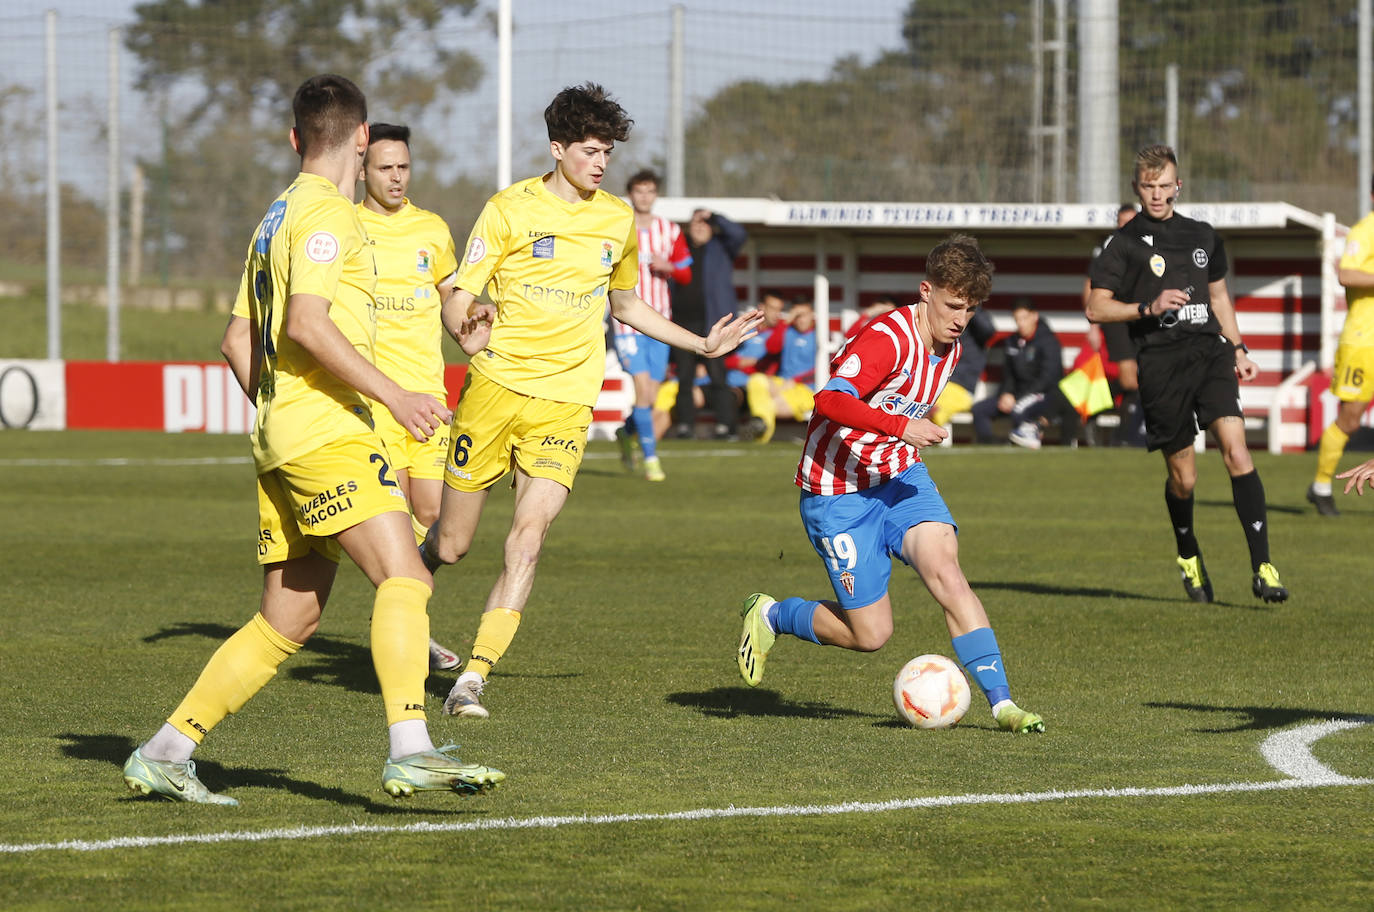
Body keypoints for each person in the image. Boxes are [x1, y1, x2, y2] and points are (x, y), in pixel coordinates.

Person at [122, 75, 504, 805]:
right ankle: (412, 749)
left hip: (282, 437)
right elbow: (306, 323)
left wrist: (279, 411)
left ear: (296, 137)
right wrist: (395, 395)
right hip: (328, 432)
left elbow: (236, 340)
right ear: (362, 141)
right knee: (406, 579)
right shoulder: (328, 215)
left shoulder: (273, 216)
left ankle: (166, 751)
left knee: (290, 616)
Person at [421, 83, 761, 719]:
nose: (601, 163)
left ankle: (471, 679)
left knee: (528, 539)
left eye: (608, 152)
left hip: (566, 404)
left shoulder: (615, 221)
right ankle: (403, 602)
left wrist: (701, 346)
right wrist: (468, 333)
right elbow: (459, 293)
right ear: (557, 149)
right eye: (588, 151)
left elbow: (627, 304)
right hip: (495, 392)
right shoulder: (508, 210)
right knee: (451, 546)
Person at [735, 233, 1045, 734]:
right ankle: (772, 615)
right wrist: (904, 427)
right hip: (836, 491)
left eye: (970, 308)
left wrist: (902, 436)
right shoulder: (887, 338)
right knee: (871, 635)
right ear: (926, 292)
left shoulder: (951, 345)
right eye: (952, 305)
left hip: (898, 476)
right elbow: (829, 402)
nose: (960, 318)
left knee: (947, 573)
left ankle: (1002, 704)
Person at [1086, 144, 1287, 604]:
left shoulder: (1203, 235)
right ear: (1137, 188)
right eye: (1148, 187)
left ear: (1179, 186)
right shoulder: (1124, 244)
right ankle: (1188, 552)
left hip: (1210, 355)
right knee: (1186, 479)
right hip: (1160, 363)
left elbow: (1219, 299)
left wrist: (1238, 349)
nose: (1157, 195)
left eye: (1164, 186)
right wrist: (1146, 307)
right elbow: (1094, 307)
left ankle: (1264, 567)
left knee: (1237, 453)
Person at [355, 122, 463, 672]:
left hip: (430, 397)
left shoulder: (433, 230)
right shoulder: (346, 229)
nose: (396, 178)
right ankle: (409, 627)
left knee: (440, 521)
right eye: (385, 168)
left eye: (403, 167)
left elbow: (450, 300)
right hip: (375, 400)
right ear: (362, 170)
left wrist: (470, 325)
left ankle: (395, 605)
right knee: (394, 518)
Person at [611, 169, 693, 482]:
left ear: (655, 195)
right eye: (639, 191)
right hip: (628, 322)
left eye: (650, 191)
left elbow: (686, 274)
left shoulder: (669, 230)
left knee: (651, 397)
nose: (644, 197)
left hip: (659, 322)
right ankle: (651, 460)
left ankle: (627, 431)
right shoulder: (618, 227)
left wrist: (668, 267)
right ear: (630, 194)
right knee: (643, 391)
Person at [1307, 179, 1374, 516]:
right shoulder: (1365, 230)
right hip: (1364, 341)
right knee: (1350, 418)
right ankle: (1320, 486)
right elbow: (1346, 274)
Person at [668, 208, 749, 439]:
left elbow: (739, 234)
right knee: (684, 378)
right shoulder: (679, 248)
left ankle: (725, 426)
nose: (700, 227)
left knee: (718, 378)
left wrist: (714, 217)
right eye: (696, 223)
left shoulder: (721, 247)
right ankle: (685, 426)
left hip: (713, 324)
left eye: (705, 224)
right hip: (681, 324)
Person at [1085, 203, 1146, 446]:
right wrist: (1092, 324)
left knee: (1140, 379)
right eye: (1123, 223)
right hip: (1116, 316)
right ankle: (1094, 408)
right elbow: (1091, 284)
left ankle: (1125, 433)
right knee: (1131, 380)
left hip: (1142, 316)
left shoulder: (1149, 245)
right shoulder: (1108, 248)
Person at [969, 297, 1063, 447]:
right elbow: (1008, 375)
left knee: (1019, 410)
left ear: (1034, 316)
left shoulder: (1049, 342)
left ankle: (1027, 445)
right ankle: (989, 445)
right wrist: (1006, 394)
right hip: (1015, 396)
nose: (1020, 323)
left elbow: (1048, 379)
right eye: (1017, 319)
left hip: (1043, 396)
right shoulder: (1012, 342)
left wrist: (1017, 397)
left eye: (1024, 318)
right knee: (979, 410)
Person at [745, 296, 818, 444]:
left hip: (807, 389)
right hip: (782, 383)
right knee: (756, 380)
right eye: (797, 316)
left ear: (812, 314)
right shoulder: (788, 331)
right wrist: (787, 320)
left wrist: (796, 380)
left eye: (804, 315)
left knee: (770, 405)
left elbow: (827, 366)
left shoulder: (819, 335)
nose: (801, 320)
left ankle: (761, 436)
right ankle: (760, 430)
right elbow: (771, 347)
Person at [929, 302, 995, 430]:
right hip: (938, 383)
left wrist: (971, 305)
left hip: (961, 388)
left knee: (935, 408)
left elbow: (988, 331)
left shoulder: (977, 325)